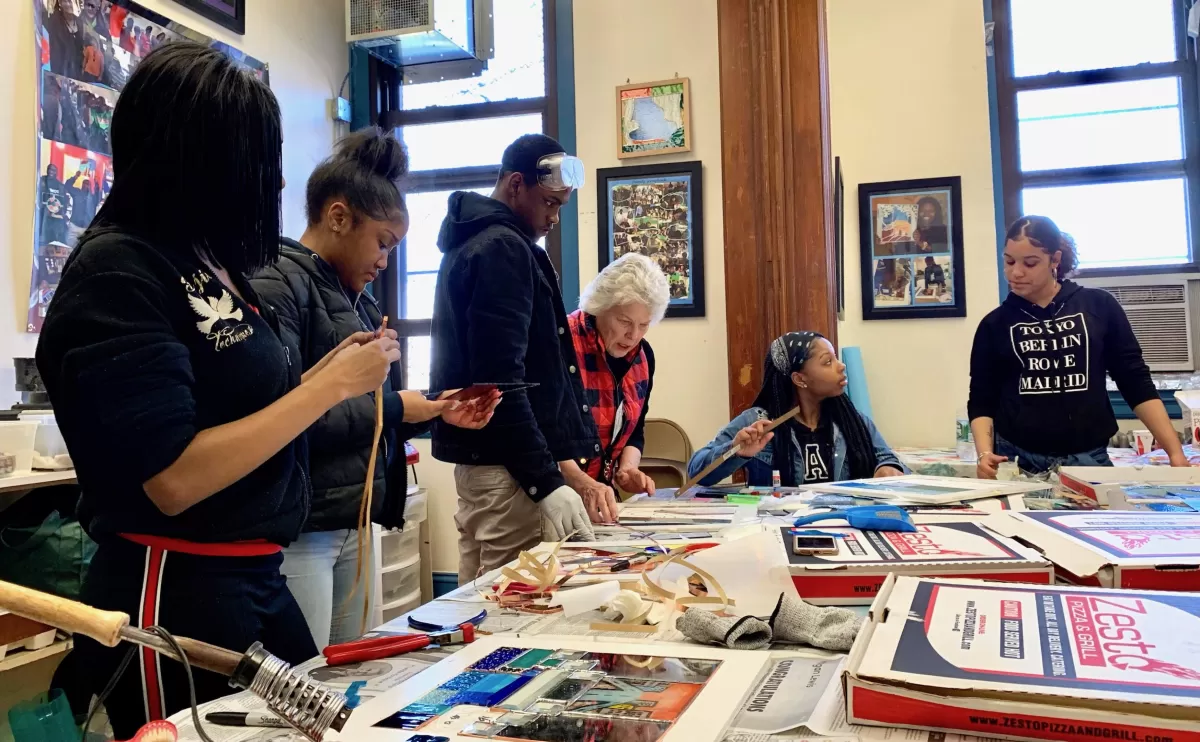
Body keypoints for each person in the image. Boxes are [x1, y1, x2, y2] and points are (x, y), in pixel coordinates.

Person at [34, 43, 399, 738]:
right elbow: (173, 478)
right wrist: (325, 393)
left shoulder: (206, 260)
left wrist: (331, 374)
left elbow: (249, 405)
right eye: (254, 160)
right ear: (197, 160)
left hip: (254, 578)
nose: (267, 182)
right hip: (173, 589)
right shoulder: (119, 271)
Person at [251, 127, 499, 649]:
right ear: (338, 217)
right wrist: (396, 408)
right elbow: (281, 417)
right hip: (304, 527)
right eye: (383, 244)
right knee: (304, 684)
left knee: (350, 673)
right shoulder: (279, 281)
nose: (385, 261)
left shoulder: (354, 298)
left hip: (351, 520)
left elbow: (366, 408)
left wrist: (433, 411)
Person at [431, 133, 599, 584]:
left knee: (474, 603)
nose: (554, 217)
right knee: (512, 609)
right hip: (508, 472)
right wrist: (545, 481)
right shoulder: (502, 248)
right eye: (548, 203)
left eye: (562, 206)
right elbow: (501, 379)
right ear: (516, 185)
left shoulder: (478, 242)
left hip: (494, 464)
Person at [969, 215, 1187, 478]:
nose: (1016, 272)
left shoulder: (1099, 306)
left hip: (1088, 458)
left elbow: (1135, 381)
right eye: (1009, 261)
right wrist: (984, 454)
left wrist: (1175, 453)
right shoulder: (994, 324)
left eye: (1030, 263)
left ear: (1055, 260)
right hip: (1017, 459)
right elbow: (982, 399)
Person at [689, 332, 905, 486]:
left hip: (843, 528)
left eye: (836, 358)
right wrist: (735, 450)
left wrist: (886, 469)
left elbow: (887, 458)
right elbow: (696, 473)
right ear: (800, 379)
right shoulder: (759, 422)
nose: (841, 366)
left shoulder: (852, 420)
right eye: (828, 362)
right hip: (775, 532)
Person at [562, 253, 668, 518]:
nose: (633, 336)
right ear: (600, 306)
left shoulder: (643, 356)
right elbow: (542, 430)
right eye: (624, 322)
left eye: (643, 325)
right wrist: (580, 481)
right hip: (551, 495)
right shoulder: (561, 342)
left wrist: (627, 469)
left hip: (600, 500)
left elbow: (636, 427)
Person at [39, 163, 72, 245]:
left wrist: (63, 212)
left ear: (56, 172)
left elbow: (64, 201)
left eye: (53, 170)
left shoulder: (60, 185)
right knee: (43, 239)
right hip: (43, 215)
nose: (50, 171)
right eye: (49, 169)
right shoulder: (41, 180)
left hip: (56, 218)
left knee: (53, 240)